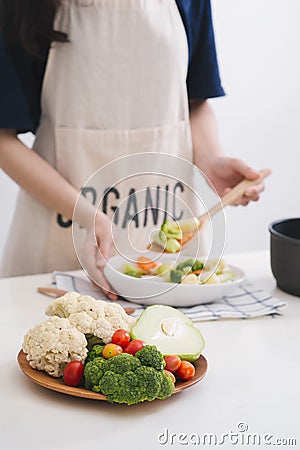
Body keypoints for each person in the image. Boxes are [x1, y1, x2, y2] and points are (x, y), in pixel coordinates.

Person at [0, 0, 264, 299]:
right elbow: (3, 139)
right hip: (59, 236)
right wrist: (89, 217)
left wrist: (211, 159)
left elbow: (195, 101)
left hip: (171, 232)